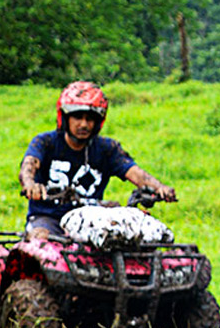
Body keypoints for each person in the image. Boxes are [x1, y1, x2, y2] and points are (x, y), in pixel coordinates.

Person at [19, 81, 176, 240]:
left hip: (91, 220)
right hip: (48, 218)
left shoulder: (107, 148)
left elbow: (135, 173)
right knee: (41, 241)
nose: (84, 124)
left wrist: (159, 188)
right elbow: (29, 165)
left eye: (90, 119)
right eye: (78, 117)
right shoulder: (45, 142)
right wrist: (30, 185)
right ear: (65, 118)